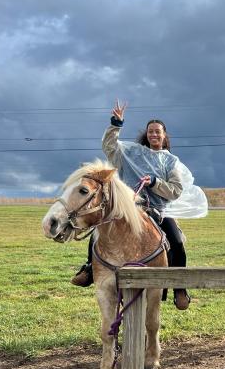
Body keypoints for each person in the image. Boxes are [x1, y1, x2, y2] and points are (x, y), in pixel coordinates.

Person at [71, 100, 195, 310]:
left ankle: (179, 287)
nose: (154, 135)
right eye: (150, 131)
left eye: (158, 132)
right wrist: (115, 124)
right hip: (127, 209)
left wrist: (155, 182)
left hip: (157, 212)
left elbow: (176, 190)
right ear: (146, 134)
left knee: (176, 240)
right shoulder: (131, 153)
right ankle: (90, 269)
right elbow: (109, 147)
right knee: (98, 233)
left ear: (164, 136)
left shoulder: (171, 162)